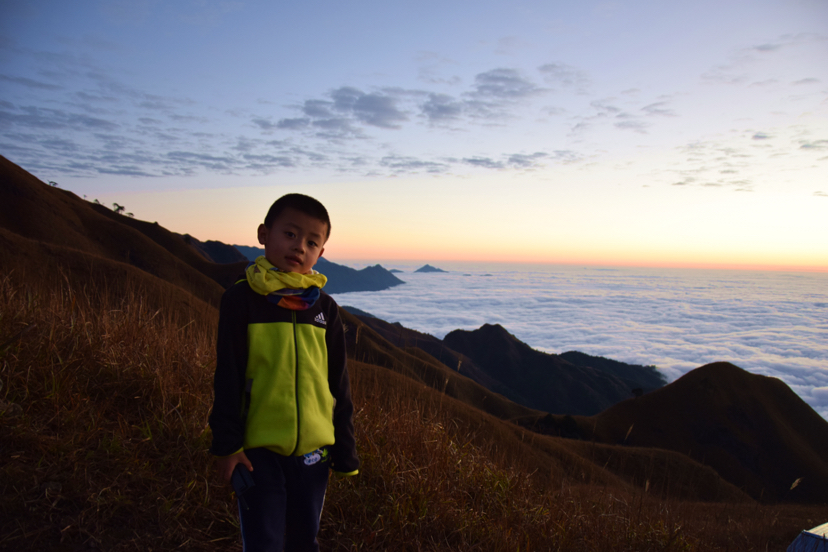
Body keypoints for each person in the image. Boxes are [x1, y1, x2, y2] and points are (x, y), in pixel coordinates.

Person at [209, 193, 359, 552]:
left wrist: (345, 447)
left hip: (314, 452)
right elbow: (227, 376)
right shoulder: (242, 299)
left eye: (312, 242)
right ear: (264, 234)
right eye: (290, 234)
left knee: (304, 541)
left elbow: (338, 383)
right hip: (258, 450)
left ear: (321, 253)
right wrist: (228, 445)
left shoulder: (325, 308)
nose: (299, 247)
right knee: (264, 542)